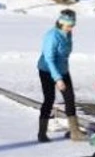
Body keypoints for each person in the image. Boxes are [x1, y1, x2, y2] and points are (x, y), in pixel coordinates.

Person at [36, 9, 85, 143]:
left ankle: (75, 132)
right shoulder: (52, 36)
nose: (71, 28)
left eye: (72, 25)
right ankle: (42, 133)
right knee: (49, 99)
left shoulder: (67, 34)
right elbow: (49, 58)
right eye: (69, 25)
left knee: (70, 98)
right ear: (61, 23)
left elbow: (64, 55)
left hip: (62, 69)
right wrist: (57, 78)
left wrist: (62, 73)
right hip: (47, 70)